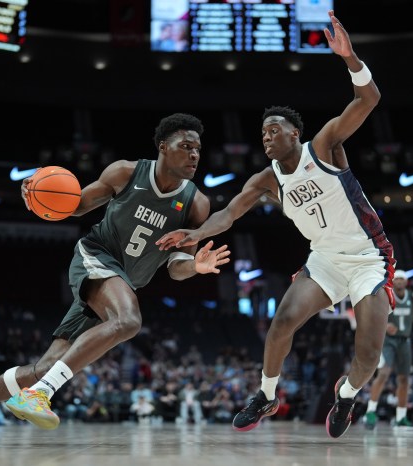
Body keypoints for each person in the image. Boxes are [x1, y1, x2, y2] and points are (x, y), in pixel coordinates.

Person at [156, 10, 396, 439]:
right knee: (282, 320)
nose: (266, 136)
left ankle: (346, 394)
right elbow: (229, 214)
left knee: (369, 355)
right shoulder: (266, 180)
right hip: (324, 260)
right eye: (262, 132)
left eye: (274, 129)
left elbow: (368, 101)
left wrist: (350, 58)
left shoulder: (323, 146)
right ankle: (267, 394)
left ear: (294, 133)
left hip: (367, 258)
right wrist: (194, 234)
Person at [0, 112, 231, 444]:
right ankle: (40, 394)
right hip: (96, 257)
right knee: (129, 320)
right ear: (163, 146)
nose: (194, 155)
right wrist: (38, 195)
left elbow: (176, 268)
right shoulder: (126, 171)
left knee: (43, 367)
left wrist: (196, 267)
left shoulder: (196, 204)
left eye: (198, 149)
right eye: (186, 146)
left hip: (120, 284)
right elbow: (74, 206)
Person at [363, 269, 413, 431]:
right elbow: (376, 317)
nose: (398, 281)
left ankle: (401, 418)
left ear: (406, 282)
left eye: (401, 279)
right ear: (393, 281)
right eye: (396, 279)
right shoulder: (386, 295)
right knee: (384, 373)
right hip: (388, 341)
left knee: (404, 379)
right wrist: (385, 325)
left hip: (404, 341)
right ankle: (370, 412)